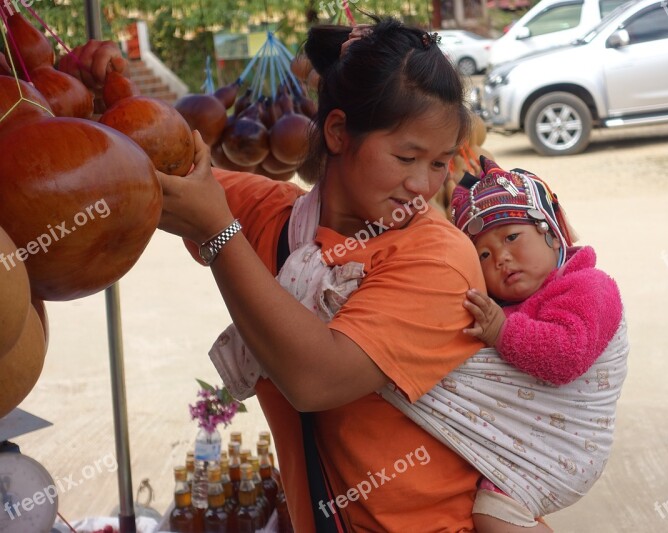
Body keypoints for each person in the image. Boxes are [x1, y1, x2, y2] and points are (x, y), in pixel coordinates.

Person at [157, 18, 490, 532]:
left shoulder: (438, 258)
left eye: (440, 164)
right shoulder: (270, 214)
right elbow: (143, 172)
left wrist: (219, 234)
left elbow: (314, 380)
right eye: (407, 156)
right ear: (337, 132)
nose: (422, 184)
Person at [378, 157, 628, 531]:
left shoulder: (590, 286)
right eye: (483, 254)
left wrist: (502, 333)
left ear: (550, 232)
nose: (502, 258)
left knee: (493, 516)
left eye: (512, 237)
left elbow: (567, 356)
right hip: (521, 448)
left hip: (565, 451)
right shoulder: (505, 308)